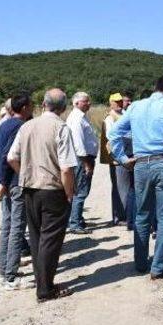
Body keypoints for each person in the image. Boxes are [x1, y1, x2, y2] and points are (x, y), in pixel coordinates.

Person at [108, 75, 163, 279]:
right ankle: (158, 267)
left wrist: (123, 158)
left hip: (141, 164)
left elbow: (113, 134)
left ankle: (140, 263)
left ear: (155, 87)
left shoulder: (135, 107)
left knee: (142, 215)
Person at [7, 88, 78, 302]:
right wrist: (69, 193)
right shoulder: (61, 127)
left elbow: (11, 157)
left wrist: (26, 174)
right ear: (63, 107)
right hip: (52, 189)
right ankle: (45, 290)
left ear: (43, 104)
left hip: (29, 189)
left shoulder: (26, 126)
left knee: (37, 238)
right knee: (51, 241)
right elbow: (66, 168)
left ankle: (43, 284)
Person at [0, 93, 34, 289]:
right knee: (17, 228)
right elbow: (8, 157)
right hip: (15, 183)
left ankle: (4, 269)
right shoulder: (20, 127)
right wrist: (5, 182)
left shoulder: (4, 125)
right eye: (31, 105)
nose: (33, 108)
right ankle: (10, 276)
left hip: (7, 183)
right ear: (24, 107)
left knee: (8, 227)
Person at [66, 91, 99, 234]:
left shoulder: (80, 117)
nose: (89, 103)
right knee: (81, 191)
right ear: (76, 103)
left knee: (79, 190)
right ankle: (75, 222)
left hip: (84, 158)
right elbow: (78, 144)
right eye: (86, 101)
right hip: (82, 159)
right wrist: (86, 163)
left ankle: (76, 218)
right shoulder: (77, 119)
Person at [101, 93, 126, 226]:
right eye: (116, 101)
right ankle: (119, 217)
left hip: (124, 156)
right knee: (119, 188)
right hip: (117, 158)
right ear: (111, 102)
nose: (119, 103)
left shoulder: (123, 114)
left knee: (125, 188)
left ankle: (124, 215)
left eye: (120, 101)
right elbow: (112, 138)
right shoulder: (110, 118)